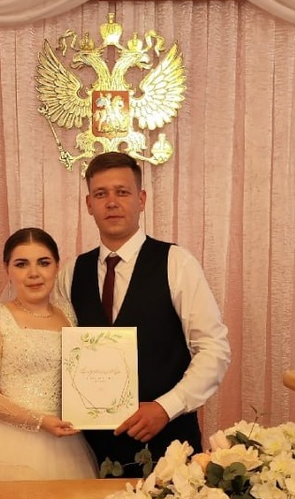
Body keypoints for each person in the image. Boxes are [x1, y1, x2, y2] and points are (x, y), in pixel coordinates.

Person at [60, 151, 230, 473]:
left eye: (122, 192)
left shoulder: (176, 263)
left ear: (141, 199)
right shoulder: (70, 273)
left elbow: (213, 349)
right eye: (101, 194)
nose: (112, 202)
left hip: (169, 452)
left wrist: (166, 407)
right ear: (89, 204)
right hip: (88, 454)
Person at [0, 228, 97, 481]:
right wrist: (39, 421)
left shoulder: (68, 314)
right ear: (7, 269)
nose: (34, 273)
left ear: (57, 266)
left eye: (44, 263)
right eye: (21, 264)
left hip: (66, 443)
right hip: (4, 445)